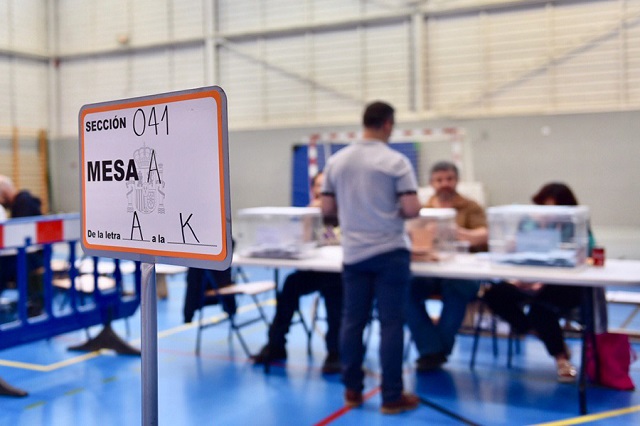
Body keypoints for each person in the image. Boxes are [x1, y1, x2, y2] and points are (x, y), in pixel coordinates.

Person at [322, 101, 422, 414]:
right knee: (391, 324)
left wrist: (352, 216)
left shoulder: (336, 162)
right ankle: (391, 396)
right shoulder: (396, 162)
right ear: (388, 124)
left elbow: (327, 212)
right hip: (390, 252)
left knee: (352, 322)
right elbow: (411, 209)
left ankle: (352, 390)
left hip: (354, 253)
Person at [481, 182, 598, 383]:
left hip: (561, 284)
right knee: (494, 294)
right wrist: (516, 270)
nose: (546, 213)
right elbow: (518, 254)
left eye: (552, 208)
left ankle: (561, 359)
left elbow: (584, 254)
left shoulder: (575, 225)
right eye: (543, 207)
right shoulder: (528, 222)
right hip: (527, 280)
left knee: (540, 310)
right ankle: (533, 330)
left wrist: (543, 281)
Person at [251, 172, 343, 374]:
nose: (321, 191)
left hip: (338, 273)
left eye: (326, 187)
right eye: (318, 186)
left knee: (334, 290)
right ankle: (276, 344)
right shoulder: (310, 213)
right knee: (290, 284)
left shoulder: (346, 211)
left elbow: (340, 243)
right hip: (314, 270)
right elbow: (305, 242)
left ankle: (335, 351)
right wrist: (310, 218)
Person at [405, 161, 489, 372]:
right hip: (429, 270)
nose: (445, 184)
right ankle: (433, 348)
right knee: (403, 291)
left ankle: (432, 352)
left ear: (457, 181)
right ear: (431, 183)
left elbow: (484, 234)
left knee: (457, 289)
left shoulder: (471, 207)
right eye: (439, 180)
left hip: (462, 272)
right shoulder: (422, 211)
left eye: (449, 179)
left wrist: (458, 233)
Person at [0, 176, 45, 315]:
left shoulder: (23, 204)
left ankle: (34, 303)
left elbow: (18, 236)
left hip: (34, 256)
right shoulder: (23, 202)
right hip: (33, 254)